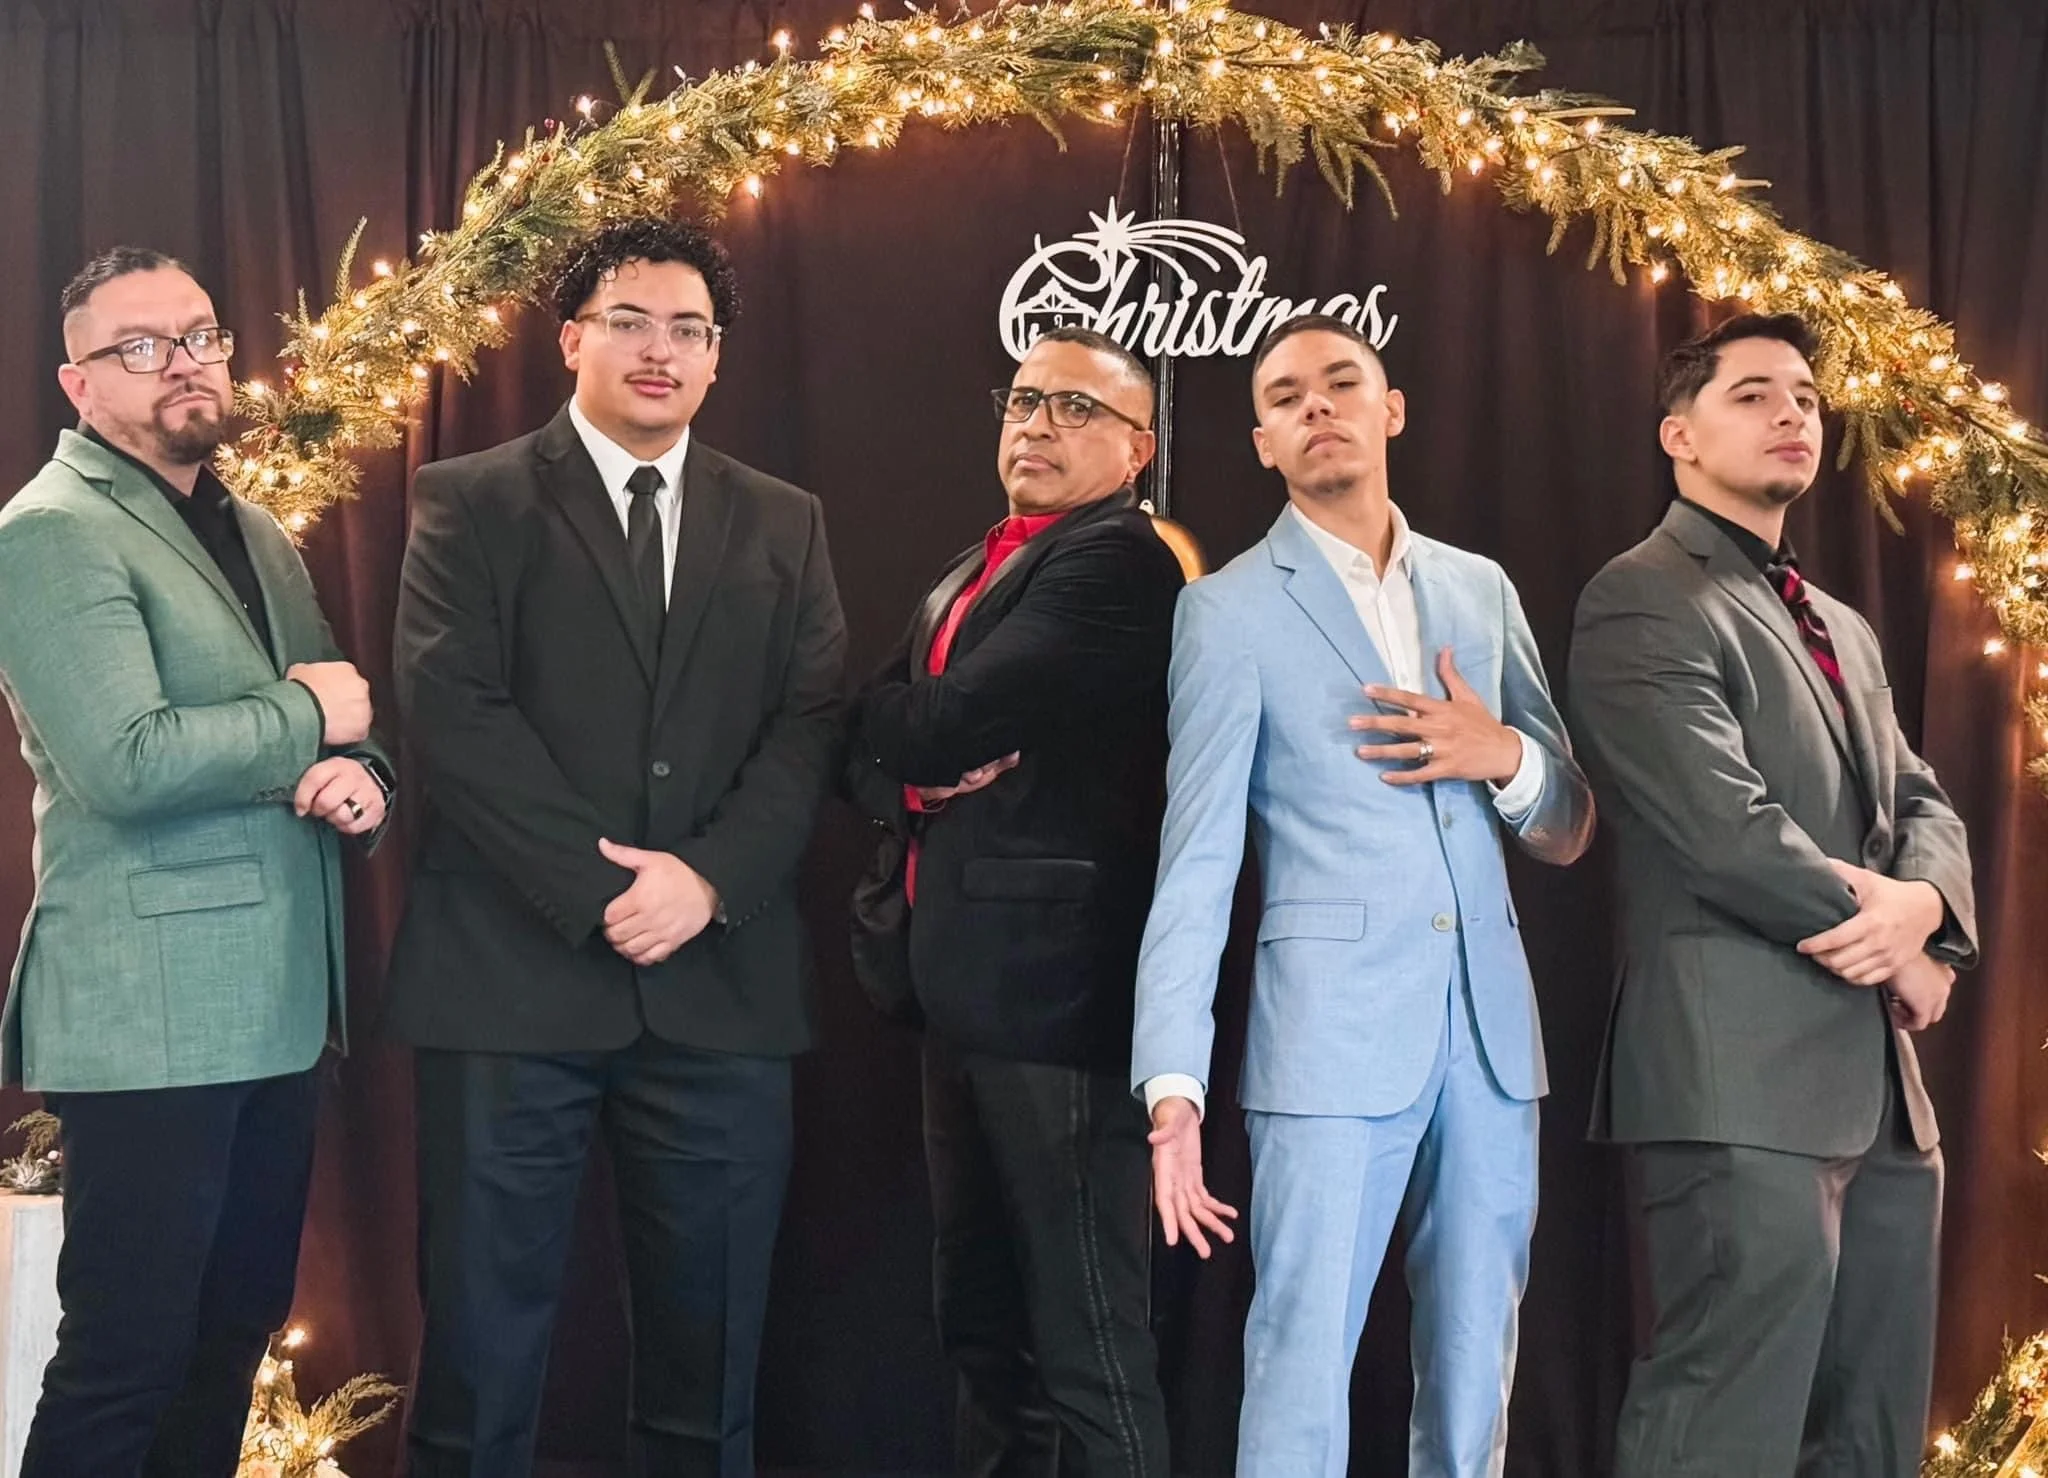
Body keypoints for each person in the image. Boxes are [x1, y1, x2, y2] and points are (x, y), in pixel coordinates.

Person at [388, 218, 846, 1477]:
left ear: (715, 360)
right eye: (631, 321)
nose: (660, 350)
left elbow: (807, 724)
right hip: (506, 983)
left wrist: (703, 880)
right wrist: (603, 893)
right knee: (479, 1367)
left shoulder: (783, 521)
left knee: (709, 1383)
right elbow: (450, 709)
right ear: (573, 336)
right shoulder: (467, 496)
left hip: (719, 992)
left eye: (688, 330)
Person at [1133, 313, 1593, 1478]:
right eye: (1287, 396)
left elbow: (1568, 823)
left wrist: (1506, 759)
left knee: (1474, 1361)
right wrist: (1172, 1084)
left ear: (1390, 409)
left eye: (1342, 382)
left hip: (1489, 1039)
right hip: (1326, 1039)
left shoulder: (1478, 589)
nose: (1317, 405)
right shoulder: (1226, 609)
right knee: (1298, 1357)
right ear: (1261, 441)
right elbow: (1193, 858)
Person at [0, 245, 390, 1477]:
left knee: (227, 1341)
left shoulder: (253, 525)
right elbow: (123, 759)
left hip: (276, 1003)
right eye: (141, 346)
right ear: (79, 384)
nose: (186, 363)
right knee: (126, 1355)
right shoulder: (48, 531)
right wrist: (304, 722)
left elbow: (346, 720)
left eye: (204, 334)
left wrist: (362, 782)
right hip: (148, 1009)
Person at [1568, 312, 1977, 1478]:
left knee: (1867, 1437)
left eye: (1801, 393)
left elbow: (1924, 803)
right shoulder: (1640, 594)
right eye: (1751, 394)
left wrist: (1925, 918)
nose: (1790, 411)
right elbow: (1720, 828)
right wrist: (1894, 939)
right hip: (1732, 1084)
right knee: (1722, 1431)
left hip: (1884, 1106)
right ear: (1676, 436)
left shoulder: (1837, 619)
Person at [847, 325, 1184, 1476]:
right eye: (1025, 400)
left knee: (1085, 1338)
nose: (1037, 424)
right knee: (984, 1332)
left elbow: (925, 721)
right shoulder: (975, 560)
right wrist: (894, 740)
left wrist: (894, 732)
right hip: (951, 992)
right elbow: (884, 739)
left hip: (1056, 1004)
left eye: (1076, 410)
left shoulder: (1116, 561)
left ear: (1136, 451)